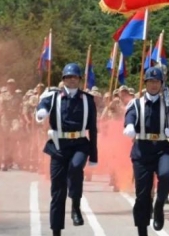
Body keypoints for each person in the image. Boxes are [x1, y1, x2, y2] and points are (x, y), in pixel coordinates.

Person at [35, 63, 99, 236]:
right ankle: (56, 230)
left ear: (79, 80)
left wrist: (94, 155)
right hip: (58, 146)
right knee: (57, 190)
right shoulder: (54, 97)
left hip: (79, 144)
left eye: (75, 77)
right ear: (63, 79)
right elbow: (42, 106)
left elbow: (92, 128)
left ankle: (76, 204)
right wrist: (41, 111)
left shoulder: (87, 99)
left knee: (76, 167)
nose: (72, 80)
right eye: (69, 77)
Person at [122, 67, 169, 235]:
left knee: (167, 175)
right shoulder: (137, 103)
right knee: (142, 195)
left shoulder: (168, 104)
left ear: (161, 84)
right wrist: (130, 125)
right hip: (142, 149)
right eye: (150, 81)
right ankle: (142, 230)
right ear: (145, 83)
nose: (154, 85)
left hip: (162, 147)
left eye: (157, 82)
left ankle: (160, 203)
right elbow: (130, 116)